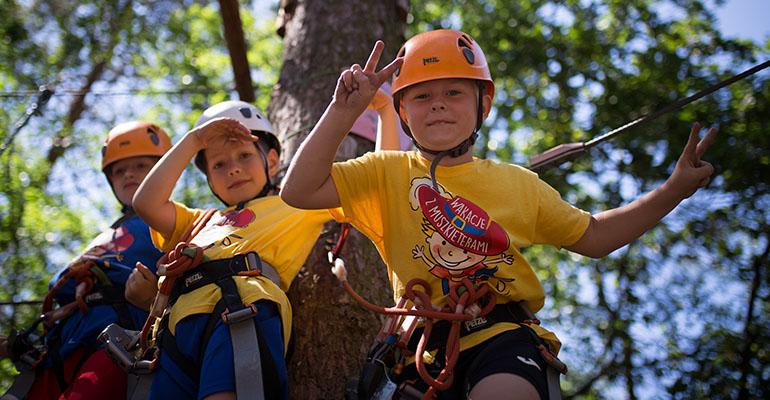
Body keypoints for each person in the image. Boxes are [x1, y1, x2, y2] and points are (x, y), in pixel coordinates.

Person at [280, 29, 717, 400]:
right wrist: (343, 111)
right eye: (422, 95)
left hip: (501, 337)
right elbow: (298, 190)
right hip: (418, 357)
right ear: (403, 115)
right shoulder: (384, 174)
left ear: (481, 106)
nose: (437, 104)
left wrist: (672, 191)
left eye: (454, 92)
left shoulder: (518, 184)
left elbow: (596, 236)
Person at [129, 98, 400, 400]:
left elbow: (377, 180)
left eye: (244, 155)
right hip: (176, 332)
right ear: (210, 181)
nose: (233, 169)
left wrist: (386, 112)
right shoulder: (198, 222)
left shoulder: (296, 202)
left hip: (241, 313)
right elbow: (146, 203)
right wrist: (194, 141)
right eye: (219, 164)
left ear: (272, 161)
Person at [1, 121, 171, 400]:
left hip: (119, 341)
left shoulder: (173, 224)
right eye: (119, 170)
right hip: (62, 345)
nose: (129, 174)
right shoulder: (107, 236)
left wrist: (155, 302)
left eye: (141, 166)